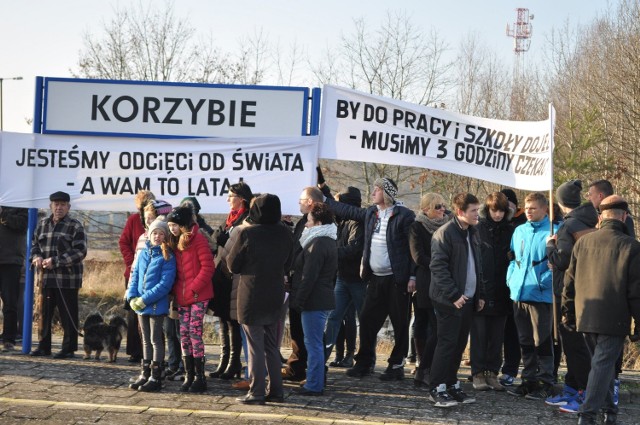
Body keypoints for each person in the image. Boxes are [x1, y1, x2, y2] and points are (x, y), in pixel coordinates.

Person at [325, 177, 415, 380]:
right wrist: (324, 197)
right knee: (366, 320)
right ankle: (364, 363)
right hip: (375, 278)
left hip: (397, 280)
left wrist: (412, 276)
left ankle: (396, 365)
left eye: (377, 189)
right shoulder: (371, 214)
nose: (373, 193)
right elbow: (347, 210)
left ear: (387, 193)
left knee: (400, 323)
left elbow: (412, 249)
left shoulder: (404, 216)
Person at [562, 194, 640, 425]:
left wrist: (568, 311)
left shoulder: (583, 242)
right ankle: (587, 415)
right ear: (624, 216)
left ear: (600, 217)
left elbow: (570, 281)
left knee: (600, 365)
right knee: (602, 365)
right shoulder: (632, 247)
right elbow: (636, 292)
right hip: (613, 318)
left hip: (585, 314)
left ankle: (609, 412)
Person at [227, 194, 294, 405]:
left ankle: (256, 392)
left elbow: (232, 265)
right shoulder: (286, 233)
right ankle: (276, 391)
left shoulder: (249, 233)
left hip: (252, 294)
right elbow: (289, 263)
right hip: (274, 292)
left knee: (255, 345)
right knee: (271, 345)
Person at [543, 180, 598, 413]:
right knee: (580, 344)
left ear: (560, 201)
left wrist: (549, 248)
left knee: (574, 345)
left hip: (568, 290)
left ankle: (585, 394)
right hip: (587, 289)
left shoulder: (568, 226)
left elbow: (562, 260)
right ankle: (574, 388)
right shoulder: (590, 221)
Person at [428, 193, 485, 407]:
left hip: (468, 300)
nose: (477, 215)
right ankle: (437, 387)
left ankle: (451, 384)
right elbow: (438, 268)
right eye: (473, 211)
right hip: (449, 300)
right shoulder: (444, 234)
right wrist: (454, 295)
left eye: (478, 210)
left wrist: (480, 295)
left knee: (459, 344)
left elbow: (477, 267)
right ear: (461, 212)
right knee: (447, 343)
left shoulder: (473, 232)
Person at [506, 192, 558, 400]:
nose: (528, 211)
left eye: (533, 208)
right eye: (527, 208)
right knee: (525, 340)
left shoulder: (554, 231)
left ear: (545, 209)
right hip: (519, 293)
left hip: (541, 296)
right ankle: (528, 379)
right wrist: (511, 279)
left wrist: (542, 282)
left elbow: (557, 265)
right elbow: (512, 258)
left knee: (542, 341)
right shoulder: (519, 231)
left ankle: (546, 381)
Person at [30, 191, 88, 358]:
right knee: (44, 313)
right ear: (50, 206)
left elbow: (80, 251)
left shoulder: (75, 226)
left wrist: (56, 261)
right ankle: (43, 346)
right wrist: (37, 257)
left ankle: (69, 348)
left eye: (63, 205)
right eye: (56, 204)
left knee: (67, 314)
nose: (59, 208)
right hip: (45, 279)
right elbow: (34, 246)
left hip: (68, 279)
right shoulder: (41, 225)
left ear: (68, 207)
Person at [290, 203, 338, 396]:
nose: (306, 225)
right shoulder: (327, 239)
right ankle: (314, 380)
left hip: (314, 301)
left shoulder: (317, 243)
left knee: (313, 344)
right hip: (320, 298)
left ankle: (314, 384)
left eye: (309, 221)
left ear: (318, 222)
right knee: (314, 342)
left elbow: (309, 277)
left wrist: (298, 301)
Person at [167, 206, 215, 393]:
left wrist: (194, 289)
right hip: (182, 296)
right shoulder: (175, 241)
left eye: (175, 225)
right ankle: (189, 374)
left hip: (198, 295)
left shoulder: (198, 240)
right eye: (170, 225)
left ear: (183, 224)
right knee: (184, 334)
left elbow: (207, 267)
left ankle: (200, 377)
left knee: (195, 333)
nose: (172, 228)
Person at [126, 219, 177, 392]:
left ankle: (156, 375)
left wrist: (145, 299)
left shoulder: (168, 256)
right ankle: (145, 373)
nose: (157, 236)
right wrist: (132, 296)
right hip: (140, 305)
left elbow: (164, 284)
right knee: (145, 340)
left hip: (156, 305)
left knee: (156, 340)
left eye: (161, 234)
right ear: (149, 234)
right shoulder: (143, 254)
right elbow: (135, 276)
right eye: (155, 233)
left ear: (165, 237)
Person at [471, 192, 514, 392]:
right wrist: (478, 291)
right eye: (494, 210)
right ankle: (478, 373)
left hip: (503, 289)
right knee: (479, 334)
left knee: (497, 337)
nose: (497, 214)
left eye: (501, 211)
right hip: (482, 288)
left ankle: (492, 372)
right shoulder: (477, 229)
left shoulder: (511, 230)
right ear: (487, 210)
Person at [282, 185, 326, 381]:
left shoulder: (319, 227)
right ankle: (297, 367)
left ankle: (317, 375)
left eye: (301, 200)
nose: (298, 203)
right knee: (298, 330)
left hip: (310, 286)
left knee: (312, 334)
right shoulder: (302, 223)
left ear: (310, 202)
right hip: (297, 282)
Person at [209, 183, 253, 380]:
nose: (227, 200)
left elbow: (229, 242)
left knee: (233, 321)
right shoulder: (231, 219)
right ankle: (224, 359)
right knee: (222, 319)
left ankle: (234, 361)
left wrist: (222, 237)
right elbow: (216, 237)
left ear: (241, 198)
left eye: (230, 196)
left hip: (234, 278)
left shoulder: (247, 219)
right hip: (222, 276)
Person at [409, 193, 450, 388]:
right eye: (437, 207)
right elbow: (418, 257)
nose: (442, 210)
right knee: (431, 326)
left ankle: (425, 369)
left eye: (443, 206)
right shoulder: (417, 227)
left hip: (442, 281)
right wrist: (441, 263)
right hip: (426, 282)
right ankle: (423, 368)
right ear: (426, 209)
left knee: (435, 327)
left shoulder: (448, 226)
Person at [323, 187, 365, 368]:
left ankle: (358, 357)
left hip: (358, 280)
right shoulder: (343, 221)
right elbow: (330, 200)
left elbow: (354, 250)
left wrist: (330, 252)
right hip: (342, 277)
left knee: (363, 320)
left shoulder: (358, 223)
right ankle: (324, 355)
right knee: (334, 317)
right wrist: (320, 181)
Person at [119, 190, 156, 363]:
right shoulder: (133, 220)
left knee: (151, 311)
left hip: (153, 274)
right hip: (133, 273)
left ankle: (151, 350)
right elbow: (124, 242)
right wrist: (130, 262)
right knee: (134, 312)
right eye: (143, 204)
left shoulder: (158, 221)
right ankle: (135, 350)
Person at [498, 188, 524, 387]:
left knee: (514, 330)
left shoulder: (522, 223)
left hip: (517, 281)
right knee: (498, 328)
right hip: (498, 281)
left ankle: (511, 368)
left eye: (508, 204)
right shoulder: (495, 222)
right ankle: (491, 366)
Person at [0, 205, 28, 352]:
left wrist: (2, 213)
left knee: (10, 302)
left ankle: (9, 338)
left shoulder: (20, 205)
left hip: (10, 261)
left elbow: (22, 225)